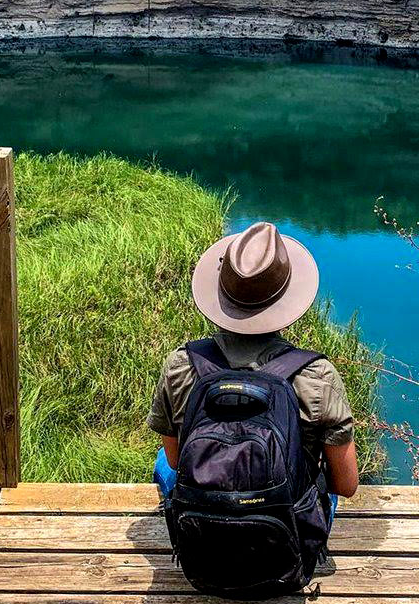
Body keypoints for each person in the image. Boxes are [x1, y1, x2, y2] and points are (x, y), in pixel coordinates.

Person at [148, 220, 359, 526]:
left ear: (221, 293)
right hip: (288, 549)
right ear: (286, 299)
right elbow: (346, 485)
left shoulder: (181, 364)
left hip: (205, 549)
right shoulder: (318, 374)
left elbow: (177, 461)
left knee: (162, 463)